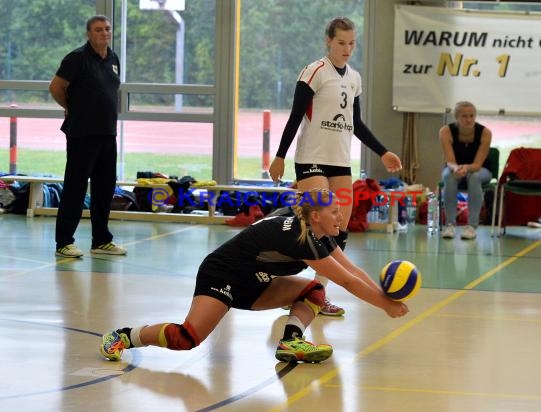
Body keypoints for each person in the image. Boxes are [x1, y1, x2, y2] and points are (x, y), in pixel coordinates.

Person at [100, 189, 409, 364]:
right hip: (222, 274)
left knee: (314, 290)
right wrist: (386, 304)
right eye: (334, 213)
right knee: (187, 338)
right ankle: (125, 335)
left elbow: (352, 271)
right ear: (315, 216)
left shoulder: (320, 236)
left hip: (255, 280)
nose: (340, 217)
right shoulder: (300, 236)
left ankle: (291, 343)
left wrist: (386, 296)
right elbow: (347, 281)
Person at [268, 17, 402, 316]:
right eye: (341, 42)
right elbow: (294, 117)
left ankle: (318, 293)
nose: (347, 48)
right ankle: (281, 280)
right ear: (329, 41)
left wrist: (383, 152)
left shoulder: (354, 78)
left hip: (340, 162)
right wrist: (280, 156)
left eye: (352, 43)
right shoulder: (315, 71)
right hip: (311, 159)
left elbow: (357, 125)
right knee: (315, 225)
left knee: (338, 228)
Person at [49, 15, 126, 258]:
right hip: (82, 133)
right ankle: (64, 242)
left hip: (107, 133)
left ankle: (101, 240)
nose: (104, 33)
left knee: (104, 188)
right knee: (75, 187)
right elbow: (56, 87)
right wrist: (71, 107)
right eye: (98, 30)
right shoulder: (77, 58)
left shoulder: (113, 58)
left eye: (107, 29)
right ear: (88, 34)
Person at [439, 101, 492, 240]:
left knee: (474, 177)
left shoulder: (485, 133)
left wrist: (466, 168)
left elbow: (478, 164)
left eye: (471, 116)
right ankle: (450, 224)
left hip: (480, 169)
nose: (468, 120)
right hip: (454, 167)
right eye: (464, 116)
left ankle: (471, 226)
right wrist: (457, 168)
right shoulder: (446, 131)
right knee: (449, 177)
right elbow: (450, 160)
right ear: (456, 117)